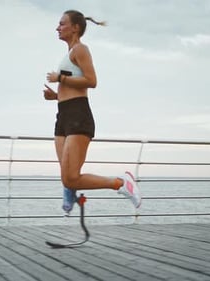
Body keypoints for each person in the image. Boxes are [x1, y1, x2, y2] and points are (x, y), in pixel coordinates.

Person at [43, 10, 141, 215]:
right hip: (63, 115)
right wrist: (56, 96)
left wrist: (60, 79)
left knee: (70, 177)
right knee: (67, 176)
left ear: (75, 27)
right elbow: (73, 87)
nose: (57, 28)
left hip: (78, 116)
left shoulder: (81, 50)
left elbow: (91, 81)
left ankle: (121, 183)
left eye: (62, 24)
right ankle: (70, 194)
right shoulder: (68, 55)